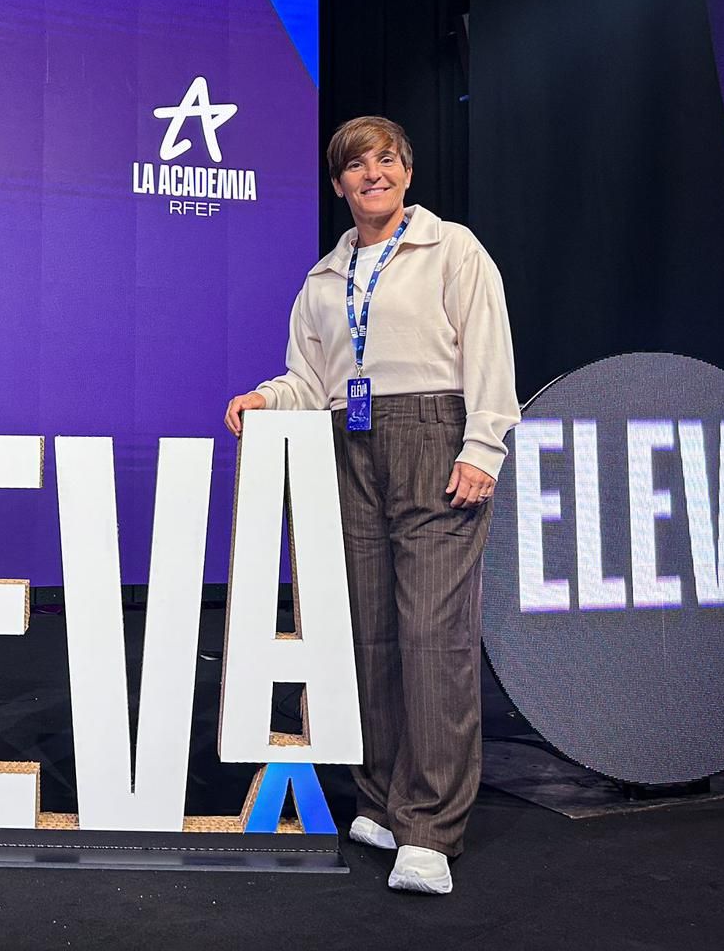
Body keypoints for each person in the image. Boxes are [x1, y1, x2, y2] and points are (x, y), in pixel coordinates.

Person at [224, 116, 517, 895]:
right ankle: (383, 800)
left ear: (407, 173)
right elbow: (310, 376)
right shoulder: (325, 279)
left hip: (434, 436)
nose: (373, 174)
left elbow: (489, 352)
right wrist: (267, 396)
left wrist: (482, 447)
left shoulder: (452, 249)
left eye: (386, 160)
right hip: (348, 443)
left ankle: (431, 828)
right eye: (357, 165)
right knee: (368, 632)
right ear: (339, 185)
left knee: (432, 637)